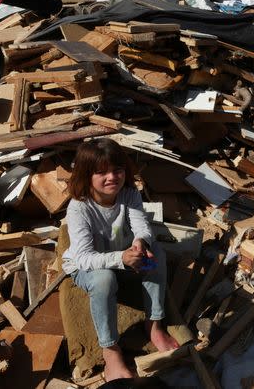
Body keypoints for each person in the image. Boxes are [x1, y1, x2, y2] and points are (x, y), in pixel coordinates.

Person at [62, 138, 179, 381]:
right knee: (104, 280)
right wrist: (121, 258)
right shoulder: (79, 208)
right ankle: (110, 350)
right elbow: (83, 258)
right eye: (101, 172)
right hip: (90, 267)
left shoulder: (129, 194)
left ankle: (154, 324)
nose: (112, 177)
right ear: (86, 176)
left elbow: (142, 226)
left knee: (155, 255)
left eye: (117, 170)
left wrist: (140, 243)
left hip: (125, 259)